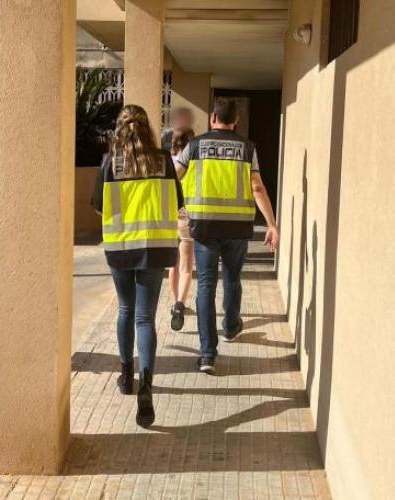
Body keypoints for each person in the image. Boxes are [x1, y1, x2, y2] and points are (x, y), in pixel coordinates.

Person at [92, 104, 183, 427]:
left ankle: (125, 374)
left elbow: (99, 207)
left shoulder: (110, 163)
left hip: (121, 248)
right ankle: (146, 383)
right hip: (155, 249)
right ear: (147, 128)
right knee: (145, 319)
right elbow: (178, 202)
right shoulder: (163, 161)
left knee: (126, 310)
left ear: (119, 129)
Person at [175, 97, 279, 374]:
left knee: (206, 286)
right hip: (237, 227)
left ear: (213, 118)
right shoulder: (247, 148)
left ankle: (207, 354)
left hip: (204, 227)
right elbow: (257, 188)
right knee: (232, 279)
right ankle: (231, 327)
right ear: (236, 120)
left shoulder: (194, 146)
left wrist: (177, 209)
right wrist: (272, 224)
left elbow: (174, 178)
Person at [166, 127, 195, 331]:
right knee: (186, 266)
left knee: (172, 265)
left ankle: (174, 300)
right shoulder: (192, 162)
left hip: (169, 216)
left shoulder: (167, 161)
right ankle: (180, 304)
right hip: (186, 214)